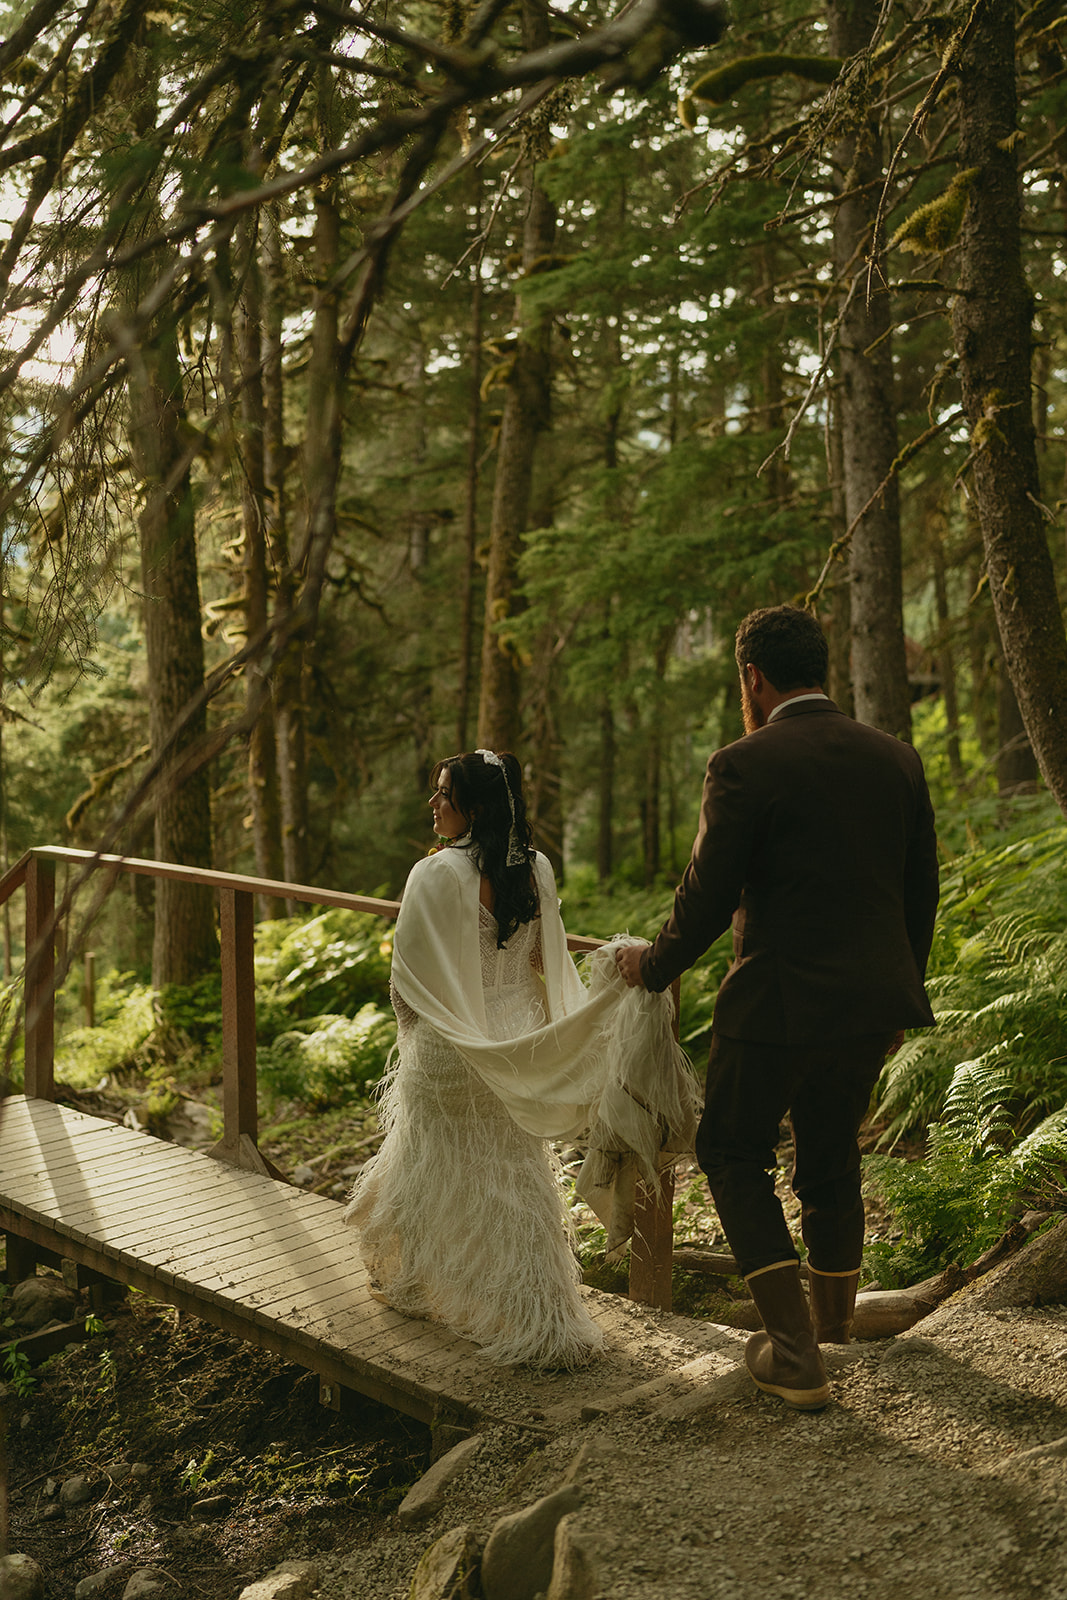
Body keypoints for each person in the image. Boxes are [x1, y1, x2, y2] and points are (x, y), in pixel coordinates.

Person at [617, 605, 939, 1409]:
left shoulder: (742, 763)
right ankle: (828, 1331)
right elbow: (918, 892)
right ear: (820, 669)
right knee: (831, 1151)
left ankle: (794, 1353)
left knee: (730, 1150)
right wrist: (900, 990)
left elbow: (706, 895)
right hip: (870, 1001)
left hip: (776, 1003)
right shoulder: (894, 758)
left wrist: (650, 967)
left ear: (751, 678)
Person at [345, 748, 697, 1369]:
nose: (433, 804)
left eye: (444, 795)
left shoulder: (433, 875)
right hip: (516, 1043)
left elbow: (406, 983)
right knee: (515, 1181)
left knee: (432, 1167)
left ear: (473, 809)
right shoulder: (536, 869)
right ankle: (544, 1312)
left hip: (449, 1049)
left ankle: (414, 1283)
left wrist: (412, 1041)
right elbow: (541, 963)